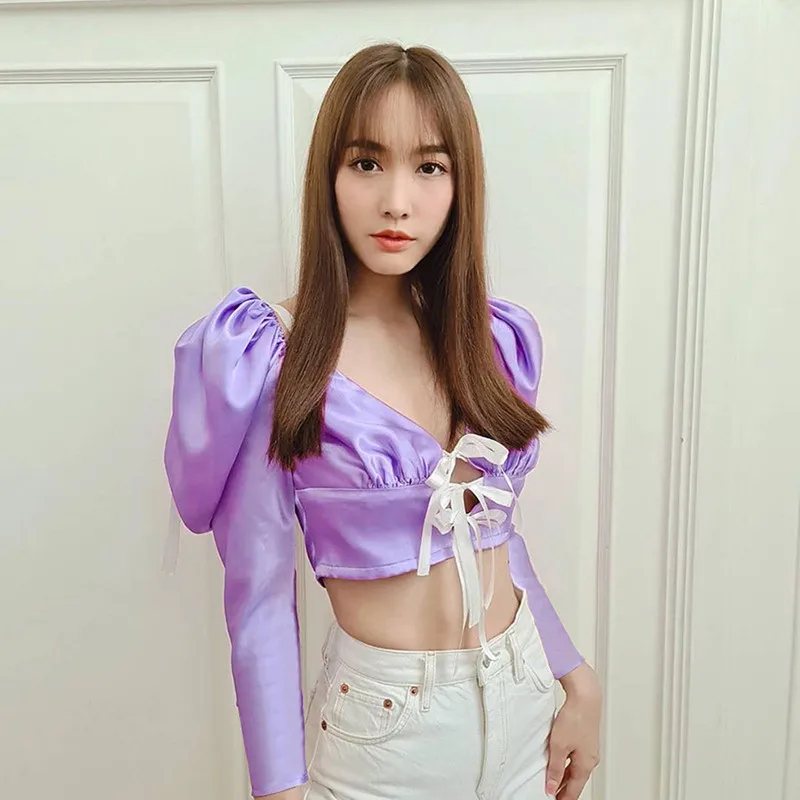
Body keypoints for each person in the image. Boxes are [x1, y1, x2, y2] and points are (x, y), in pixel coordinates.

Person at [165, 43, 602, 800]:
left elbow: (495, 536)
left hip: (526, 693)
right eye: (367, 163)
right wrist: (279, 789)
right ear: (329, 177)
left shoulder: (487, 338)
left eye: (429, 167)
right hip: (385, 736)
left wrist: (577, 677)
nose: (397, 201)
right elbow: (260, 599)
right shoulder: (270, 356)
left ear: (460, 185)